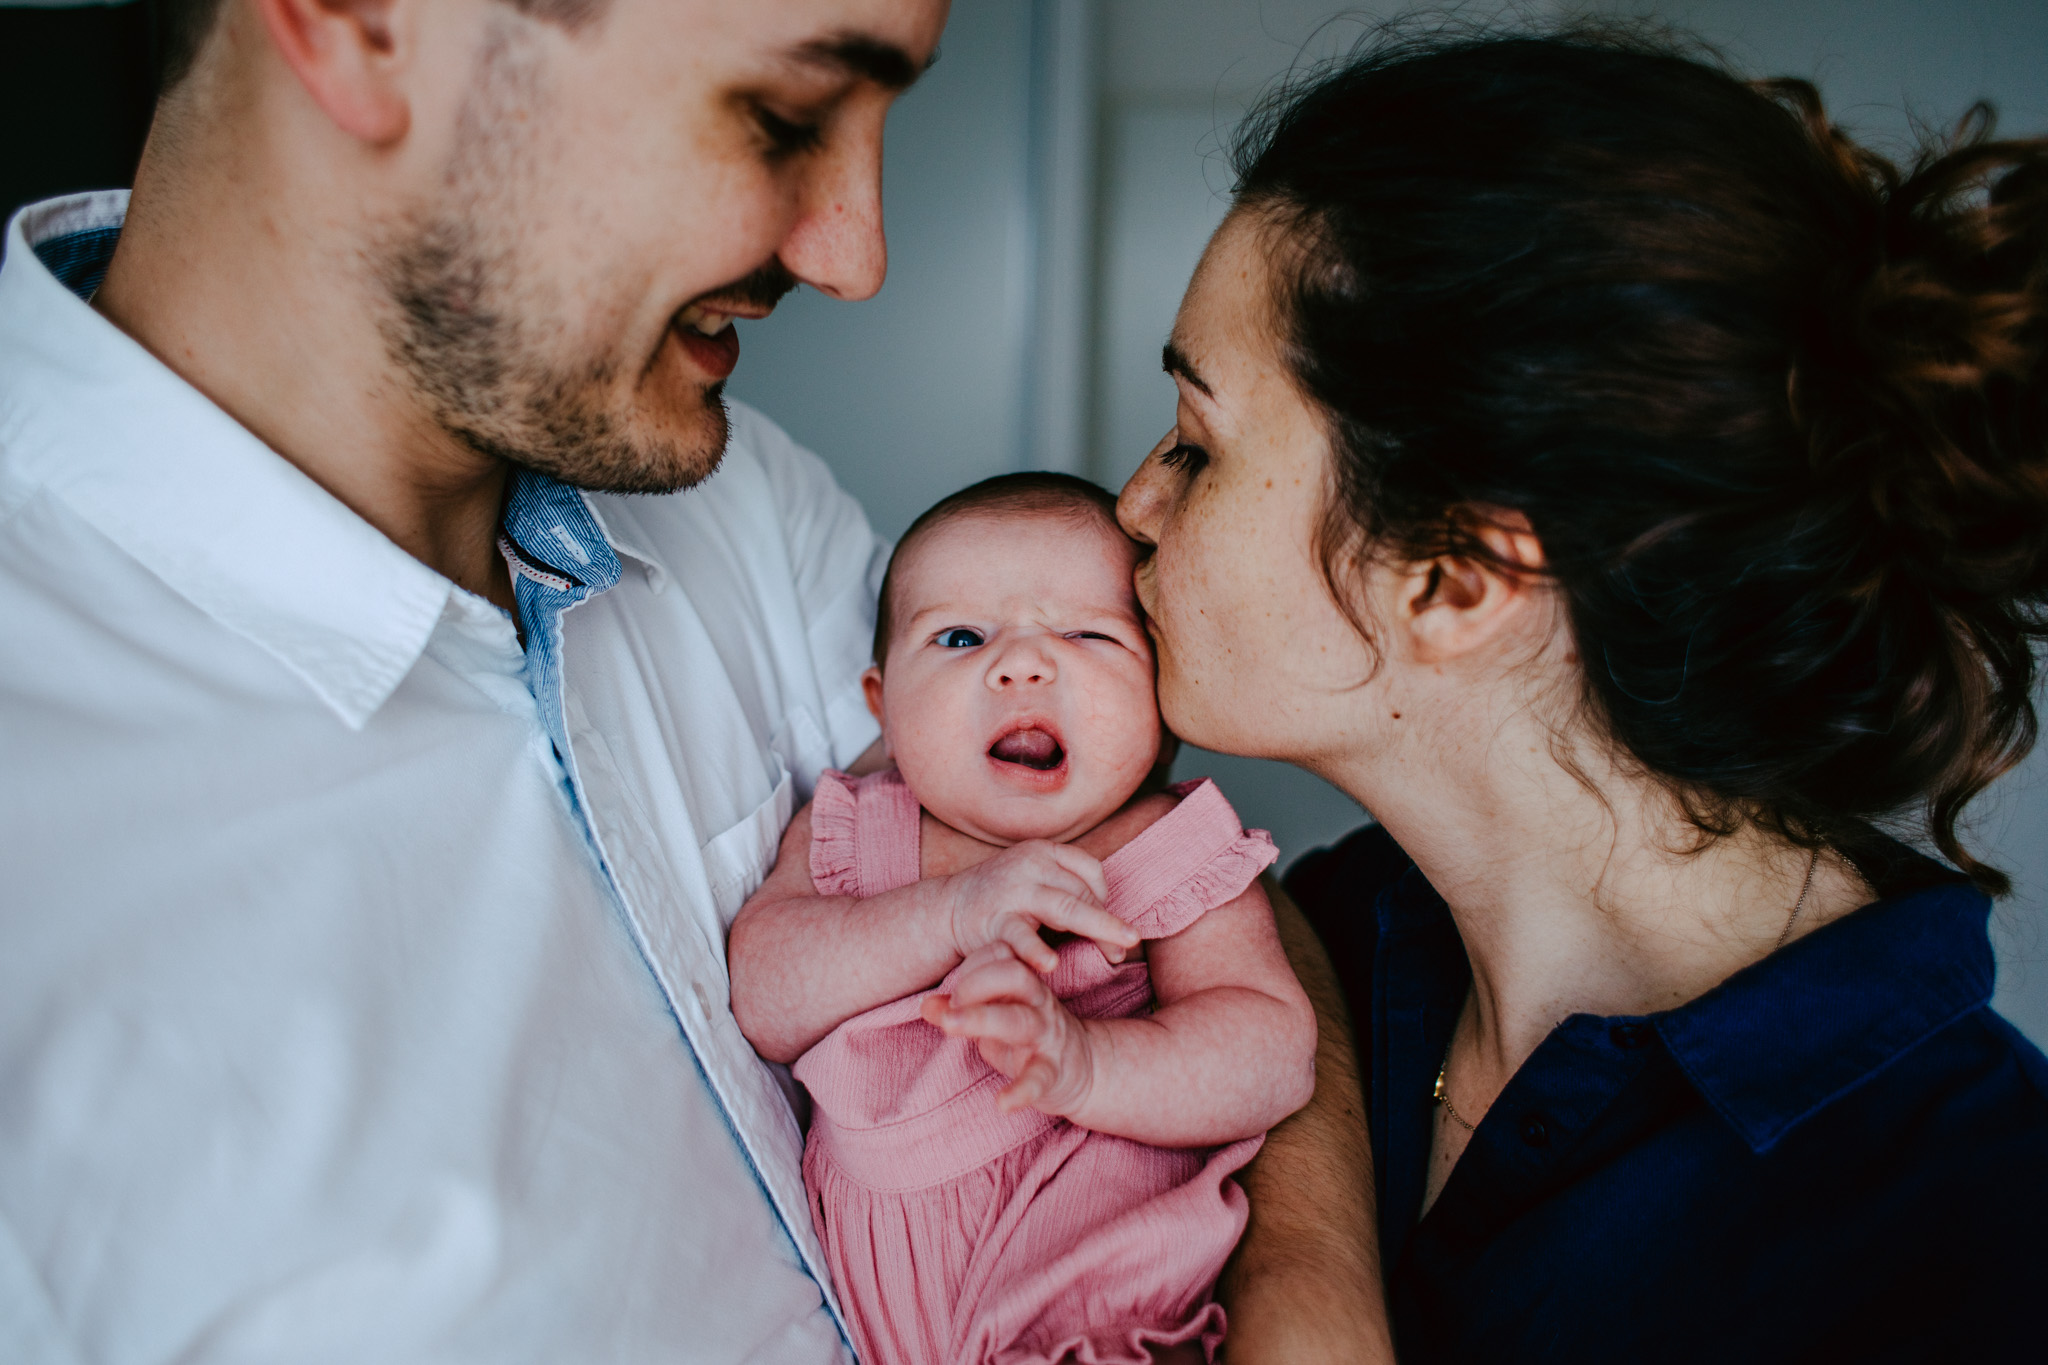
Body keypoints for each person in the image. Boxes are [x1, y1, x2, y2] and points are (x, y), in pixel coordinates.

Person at [0, 0, 1383, 1360]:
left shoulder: (740, 505)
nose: (856, 252)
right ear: (364, 20)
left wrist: (1310, 1294)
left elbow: (1162, 850)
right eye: (783, 113)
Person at [1114, 26, 2048, 1364]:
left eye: (1200, 445)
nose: (1135, 503)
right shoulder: (1315, 934)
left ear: (1456, 572)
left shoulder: (1986, 1239)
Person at [729, 474, 1316, 1365]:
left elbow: (1272, 1053)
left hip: (1105, 1311)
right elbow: (766, 996)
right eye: (960, 636)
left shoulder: (1170, 844)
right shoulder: (856, 824)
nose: (1021, 664)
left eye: (1086, 633)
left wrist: (1088, 1065)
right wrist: (953, 913)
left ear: (1162, 698)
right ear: (883, 704)